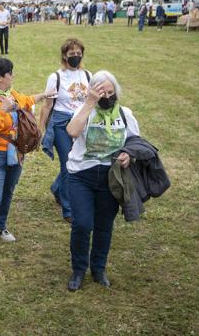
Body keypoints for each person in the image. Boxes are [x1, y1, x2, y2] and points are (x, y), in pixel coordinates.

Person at [65, 71, 140, 291]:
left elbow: (135, 142)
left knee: (104, 226)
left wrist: (129, 155)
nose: (106, 96)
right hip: (81, 175)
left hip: (111, 177)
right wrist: (89, 103)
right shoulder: (85, 111)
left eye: (110, 91)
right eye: (101, 92)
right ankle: (79, 270)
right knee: (82, 224)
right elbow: (71, 131)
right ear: (92, 92)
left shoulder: (125, 114)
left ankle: (99, 269)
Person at [0, 57, 53, 262]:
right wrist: (3, 110)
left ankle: (1, 227)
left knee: (8, 192)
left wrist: (43, 95)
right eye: (10, 73)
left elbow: (25, 100)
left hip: (15, 154)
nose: (13, 76)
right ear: (0, 77)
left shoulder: (9, 94)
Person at [39, 38, 92, 223]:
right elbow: (47, 105)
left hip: (81, 123)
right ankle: (69, 209)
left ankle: (57, 187)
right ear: (64, 55)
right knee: (68, 162)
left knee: (79, 159)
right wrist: (41, 128)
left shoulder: (87, 75)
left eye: (79, 54)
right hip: (61, 123)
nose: (76, 57)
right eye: (72, 54)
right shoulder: (56, 77)